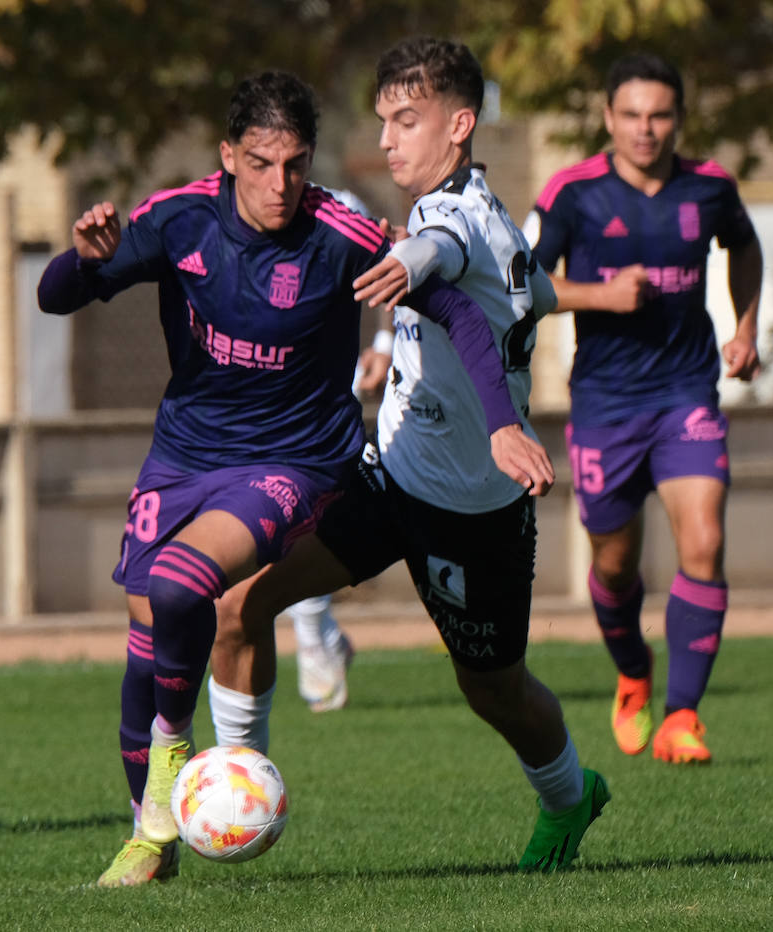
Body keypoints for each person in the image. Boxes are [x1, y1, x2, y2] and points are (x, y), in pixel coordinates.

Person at [36, 70, 554, 887]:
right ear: (228, 156)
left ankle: (177, 758)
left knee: (181, 587)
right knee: (147, 634)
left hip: (295, 461)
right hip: (184, 454)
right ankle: (150, 839)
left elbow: (450, 306)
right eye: (261, 164)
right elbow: (55, 296)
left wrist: (499, 424)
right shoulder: (179, 219)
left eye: (297, 164)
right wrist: (81, 257)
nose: (281, 185)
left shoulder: (338, 230)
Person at [210, 37, 609, 873]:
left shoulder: (453, 221)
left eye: (407, 120)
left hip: (472, 511)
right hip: (386, 475)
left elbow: (440, 257)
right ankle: (234, 787)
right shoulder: (484, 217)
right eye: (384, 120)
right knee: (242, 603)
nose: (388, 139)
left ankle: (572, 796)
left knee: (491, 685)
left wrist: (408, 267)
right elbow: (521, 288)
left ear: (459, 125)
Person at [524, 53, 763, 764]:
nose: (645, 129)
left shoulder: (711, 186)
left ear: (678, 119)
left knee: (705, 542)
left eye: (659, 115)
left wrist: (745, 328)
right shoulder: (573, 193)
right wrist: (599, 296)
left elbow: (744, 249)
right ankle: (633, 674)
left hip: (686, 393)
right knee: (618, 566)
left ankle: (682, 718)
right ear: (607, 117)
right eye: (631, 115)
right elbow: (521, 283)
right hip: (604, 404)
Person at [285, 190, 391, 714]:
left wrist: (385, 346)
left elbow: (395, 265)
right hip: (260, 404)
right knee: (273, 541)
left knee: (304, 524)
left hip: (327, 398)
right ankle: (324, 635)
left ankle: (312, 646)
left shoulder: (342, 207)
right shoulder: (223, 210)